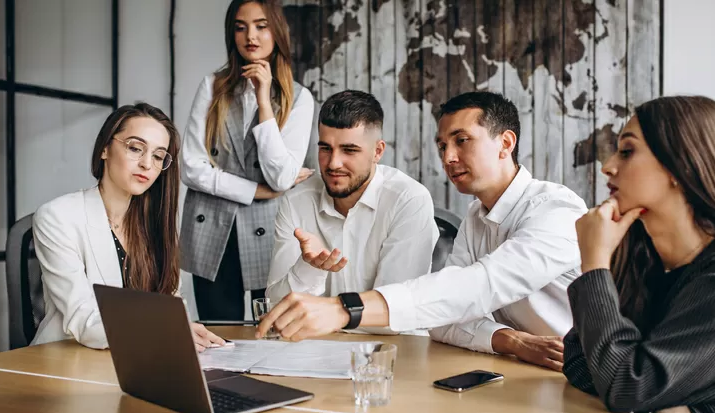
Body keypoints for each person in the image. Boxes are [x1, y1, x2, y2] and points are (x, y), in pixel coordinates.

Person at [256, 92, 588, 373]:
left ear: (505, 143)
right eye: (442, 145)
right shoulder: (476, 216)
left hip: (587, 373)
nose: (448, 157)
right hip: (527, 372)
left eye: (461, 141)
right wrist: (511, 340)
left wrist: (345, 308)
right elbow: (445, 320)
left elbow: (481, 285)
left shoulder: (556, 210)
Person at [563, 96, 715, 413]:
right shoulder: (647, 254)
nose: (608, 166)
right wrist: (664, 406)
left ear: (677, 168)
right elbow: (581, 362)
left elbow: (623, 383)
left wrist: (594, 263)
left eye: (626, 151)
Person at [31, 103, 225, 352]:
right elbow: (83, 320)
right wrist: (166, 330)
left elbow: (169, 305)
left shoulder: (154, 223)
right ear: (104, 149)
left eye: (157, 156)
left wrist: (181, 327)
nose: (147, 164)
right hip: (69, 360)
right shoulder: (57, 217)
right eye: (135, 148)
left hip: (138, 358)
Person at [180, 0, 314, 320]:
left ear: (277, 31)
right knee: (218, 334)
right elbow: (190, 167)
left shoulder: (299, 98)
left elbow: (280, 179)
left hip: (268, 230)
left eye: (260, 25)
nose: (250, 35)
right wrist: (254, 191)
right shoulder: (213, 86)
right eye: (240, 27)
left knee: (269, 333)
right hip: (210, 228)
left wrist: (265, 100)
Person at [265, 90, 438, 335]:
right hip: (314, 352)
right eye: (326, 148)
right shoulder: (296, 201)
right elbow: (275, 309)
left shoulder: (408, 199)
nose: (333, 163)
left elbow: (393, 316)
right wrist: (309, 267)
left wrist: (328, 313)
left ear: (377, 151)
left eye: (349, 150)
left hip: (394, 353)